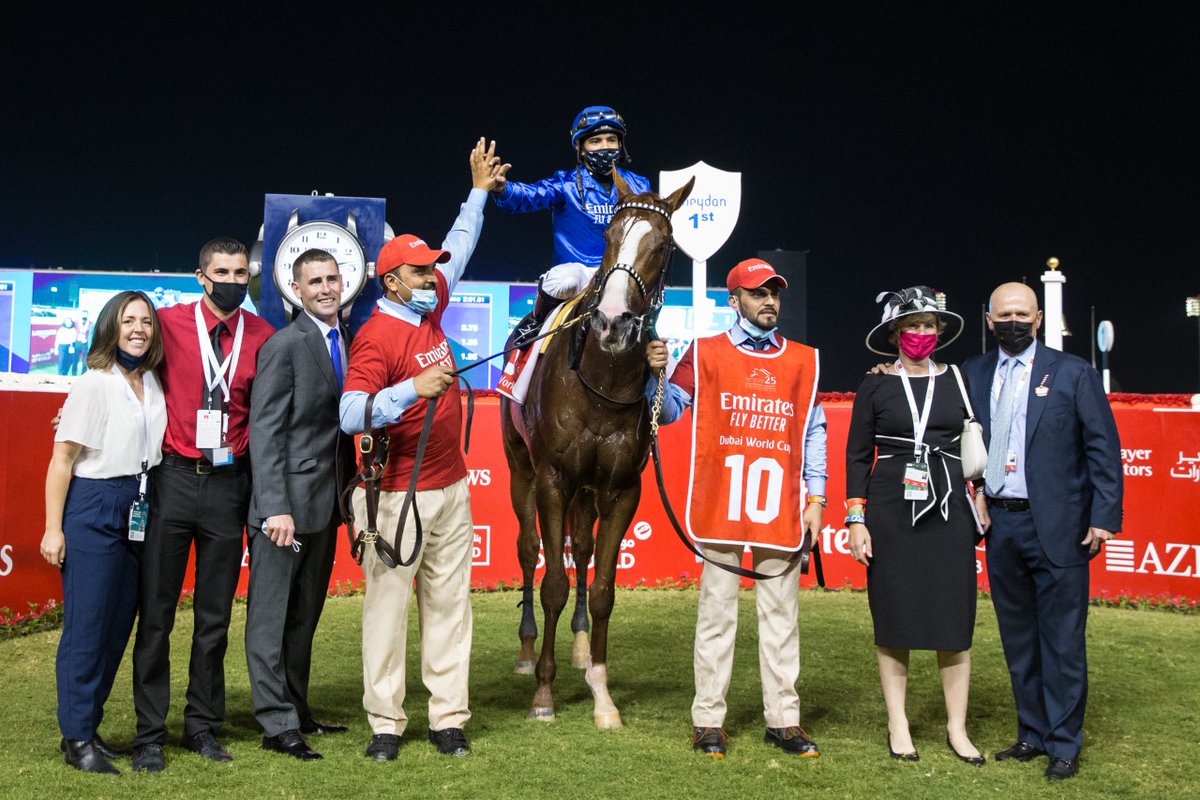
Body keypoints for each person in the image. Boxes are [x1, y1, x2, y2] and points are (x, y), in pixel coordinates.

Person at [339, 138, 506, 761]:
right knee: (386, 611)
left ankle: (447, 718)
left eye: (431, 270)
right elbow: (350, 413)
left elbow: (458, 244)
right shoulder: (376, 337)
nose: (432, 277)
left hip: (451, 487)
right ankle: (386, 723)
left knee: (450, 606)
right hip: (396, 494)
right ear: (391, 280)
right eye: (419, 271)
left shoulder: (429, 303)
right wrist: (409, 390)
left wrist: (479, 194)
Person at [646, 258, 826, 759]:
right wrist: (652, 376)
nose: (769, 301)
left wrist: (818, 496)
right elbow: (670, 409)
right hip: (720, 502)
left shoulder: (802, 359)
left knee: (781, 617)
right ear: (735, 301)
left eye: (774, 292)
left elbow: (814, 432)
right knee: (716, 616)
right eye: (757, 293)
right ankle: (708, 720)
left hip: (783, 507)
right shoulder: (702, 353)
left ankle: (784, 720)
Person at [963, 282, 1122, 780]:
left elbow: (1103, 449)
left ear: (1037, 319)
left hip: (1060, 527)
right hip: (1001, 525)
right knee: (1019, 639)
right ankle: (1031, 733)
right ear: (989, 319)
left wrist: (1104, 516)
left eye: (1022, 313)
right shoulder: (973, 373)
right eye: (1004, 313)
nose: (1013, 321)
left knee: (1063, 643)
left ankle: (1064, 742)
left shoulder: (1073, 372)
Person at [130, 237, 275, 772]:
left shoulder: (263, 335)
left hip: (228, 486)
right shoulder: (167, 324)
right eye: (222, 271)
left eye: (241, 272)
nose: (233, 280)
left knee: (214, 617)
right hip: (171, 479)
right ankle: (150, 732)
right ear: (201, 275)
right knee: (157, 616)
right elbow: (120, 369)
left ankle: (202, 726)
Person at [845, 286, 984, 765]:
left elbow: (975, 444)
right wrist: (856, 520)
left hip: (949, 508)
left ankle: (957, 728)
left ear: (940, 331)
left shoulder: (961, 380)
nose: (922, 334)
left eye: (929, 326)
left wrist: (980, 497)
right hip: (890, 509)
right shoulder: (876, 384)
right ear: (894, 335)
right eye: (912, 327)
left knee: (954, 620)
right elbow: (857, 456)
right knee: (895, 619)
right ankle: (898, 724)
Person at [40, 291, 167, 774]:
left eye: (146, 322)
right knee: (87, 628)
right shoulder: (94, 383)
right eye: (128, 320)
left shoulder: (151, 381)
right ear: (110, 327)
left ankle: (87, 728)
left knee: (116, 627)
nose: (138, 329)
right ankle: (75, 739)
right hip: (94, 505)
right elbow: (61, 461)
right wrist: (54, 529)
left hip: (140, 503)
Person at [245, 249, 356, 760]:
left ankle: (297, 708)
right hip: (284, 512)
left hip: (326, 506)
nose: (326, 288)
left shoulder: (349, 342)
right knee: (270, 619)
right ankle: (275, 725)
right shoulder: (284, 345)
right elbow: (265, 432)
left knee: (304, 617)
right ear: (296, 289)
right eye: (315, 281)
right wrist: (273, 508)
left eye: (333, 278)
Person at [492, 105, 651, 397]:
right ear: (580, 146)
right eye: (596, 141)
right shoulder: (564, 183)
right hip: (578, 273)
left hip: (619, 274)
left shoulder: (640, 184)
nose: (605, 147)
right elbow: (529, 196)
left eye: (611, 140)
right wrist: (503, 189)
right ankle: (535, 326)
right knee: (560, 279)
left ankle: (656, 399)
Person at [74, 309, 92, 375]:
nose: (84, 315)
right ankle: (73, 373)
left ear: (87, 315)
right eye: (83, 314)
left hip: (85, 344)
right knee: (75, 359)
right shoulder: (75, 323)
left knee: (84, 360)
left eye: (85, 314)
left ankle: (83, 374)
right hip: (77, 343)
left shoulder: (91, 324)